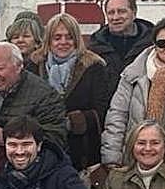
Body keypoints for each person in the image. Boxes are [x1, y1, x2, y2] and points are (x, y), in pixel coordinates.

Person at [101, 17, 165, 169]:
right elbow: (117, 117)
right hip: (132, 160)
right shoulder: (133, 73)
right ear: (154, 44)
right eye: (162, 43)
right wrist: (112, 158)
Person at [28, 13, 111, 170]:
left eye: (69, 37)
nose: (63, 42)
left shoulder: (94, 66)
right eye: (57, 37)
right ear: (49, 40)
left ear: (76, 39)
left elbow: (102, 109)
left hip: (82, 150)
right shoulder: (34, 66)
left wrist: (74, 121)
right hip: (42, 147)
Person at [0, 42, 68, 152]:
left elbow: (55, 138)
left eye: (0, 68)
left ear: (18, 67)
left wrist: (8, 138)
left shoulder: (44, 95)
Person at [89, 0, 154, 80]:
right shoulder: (95, 48)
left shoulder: (153, 44)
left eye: (122, 11)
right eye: (111, 13)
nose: (115, 17)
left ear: (134, 13)